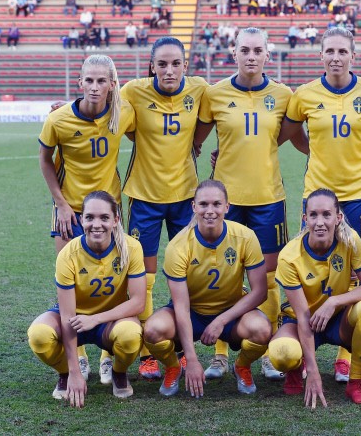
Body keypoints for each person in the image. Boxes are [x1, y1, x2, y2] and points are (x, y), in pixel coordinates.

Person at [279, 27, 361, 382]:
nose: (335, 57)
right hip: (317, 195)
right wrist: (314, 151)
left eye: (342, 51)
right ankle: (307, 343)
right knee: (310, 266)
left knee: (352, 271)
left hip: (360, 192)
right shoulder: (304, 95)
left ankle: (345, 356)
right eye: (329, 51)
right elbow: (290, 135)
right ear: (320, 56)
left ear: (353, 55)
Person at [201, 27, 295, 382]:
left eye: (258, 50)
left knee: (268, 279)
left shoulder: (283, 95)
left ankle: (267, 350)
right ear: (234, 53)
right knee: (226, 278)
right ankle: (221, 354)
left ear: (268, 55)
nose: (251, 56)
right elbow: (196, 137)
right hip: (225, 202)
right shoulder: (215, 93)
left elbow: (285, 135)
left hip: (269, 198)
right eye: (245, 50)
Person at [121, 37, 213, 380]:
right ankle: (147, 351)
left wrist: (197, 142)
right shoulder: (134, 91)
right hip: (144, 198)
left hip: (185, 199)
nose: (169, 70)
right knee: (142, 279)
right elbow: (103, 106)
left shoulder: (200, 89)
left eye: (176, 63)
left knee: (183, 277)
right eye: (162, 64)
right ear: (152, 66)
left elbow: (208, 121)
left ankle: (176, 348)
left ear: (186, 66)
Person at [40, 55, 136, 383]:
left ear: (112, 84)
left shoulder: (124, 113)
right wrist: (61, 204)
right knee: (70, 284)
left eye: (101, 81)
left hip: (110, 212)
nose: (95, 88)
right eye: (89, 81)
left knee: (117, 281)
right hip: (69, 210)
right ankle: (78, 354)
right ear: (79, 83)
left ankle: (111, 352)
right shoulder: (59, 119)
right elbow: (44, 161)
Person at [142, 180, 271, 397]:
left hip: (231, 314)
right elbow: (181, 306)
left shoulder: (245, 237)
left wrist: (221, 321)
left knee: (262, 329)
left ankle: (241, 366)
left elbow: (260, 291)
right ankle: (174, 366)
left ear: (227, 207)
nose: (210, 211)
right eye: (203, 204)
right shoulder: (178, 245)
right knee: (153, 330)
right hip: (191, 314)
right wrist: (191, 359)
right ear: (193, 207)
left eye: (216, 204)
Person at [27, 190, 146, 407]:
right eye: (90, 217)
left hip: (110, 321)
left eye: (104, 218)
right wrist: (73, 371)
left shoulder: (131, 247)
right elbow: (67, 315)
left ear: (116, 220)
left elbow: (138, 302)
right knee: (39, 336)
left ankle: (119, 372)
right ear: (81, 220)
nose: (96, 224)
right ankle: (64, 374)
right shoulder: (68, 254)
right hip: (74, 318)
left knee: (130, 335)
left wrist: (96, 318)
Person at [268, 188, 361, 406]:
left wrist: (334, 301)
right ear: (305, 219)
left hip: (337, 319)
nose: (320, 222)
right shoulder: (289, 256)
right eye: (313, 215)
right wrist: (313, 370)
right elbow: (303, 317)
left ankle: (356, 381)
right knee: (282, 353)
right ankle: (296, 367)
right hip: (300, 320)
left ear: (338, 218)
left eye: (326, 215)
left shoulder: (350, 241)